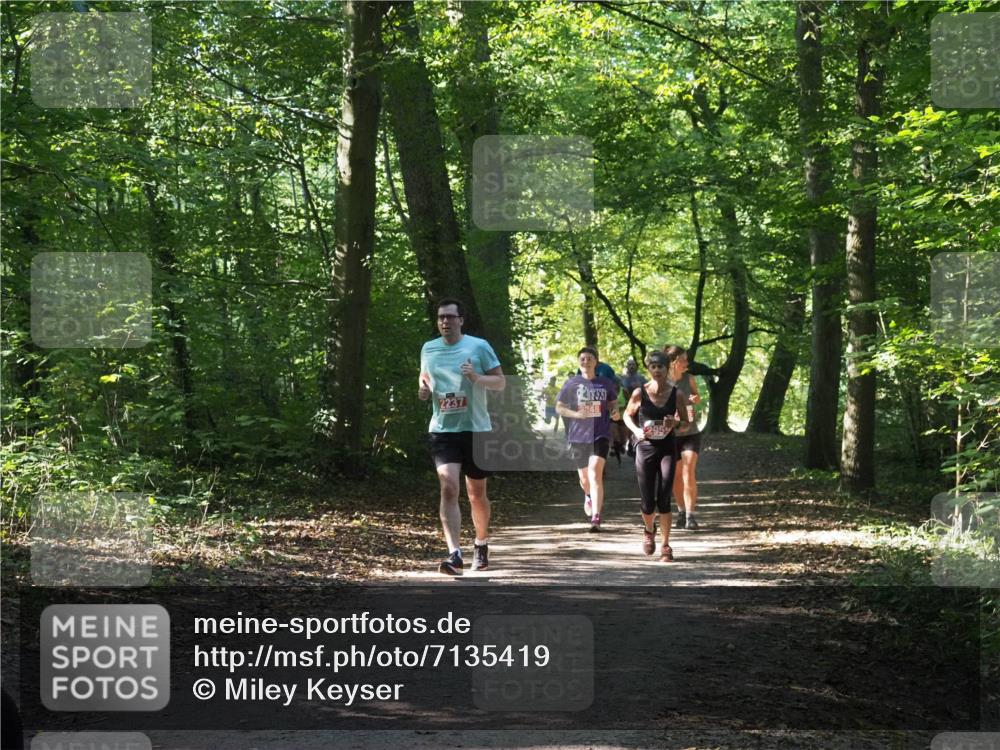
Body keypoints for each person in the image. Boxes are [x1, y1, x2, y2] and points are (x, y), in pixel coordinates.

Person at [419, 298, 506, 575]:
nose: (445, 322)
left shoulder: (478, 346)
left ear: (461, 320)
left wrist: (477, 378)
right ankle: (454, 554)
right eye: (441, 317)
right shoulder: (429, 348)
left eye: (450, 317)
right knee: (448, 487)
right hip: (443, 430)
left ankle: (481, 543)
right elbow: (424, 379)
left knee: (476, 494)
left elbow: (501, 382)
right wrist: (422, 390)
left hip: (476, 429)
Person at [623, 349, 680, 561]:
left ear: (667, 369)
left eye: (660, 367)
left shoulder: (676, 394)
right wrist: (636, 430)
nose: (656, 370)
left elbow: (686, 421)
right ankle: (649, 530)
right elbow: (627, 416)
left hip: (667, 448)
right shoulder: (640, 393)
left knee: (664, 498)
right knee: (647, 501)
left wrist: (675, 422)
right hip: (645, 447)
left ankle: (666, 545)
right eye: (653, 367)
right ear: (649, 369)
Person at [556, 347, 619, 532]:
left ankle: (596, 517)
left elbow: (613, 405)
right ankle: (588, 495)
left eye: (590, 359)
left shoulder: (605, 383)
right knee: (584, 478)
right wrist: (575, 414)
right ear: (578, 362)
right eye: (582, 359)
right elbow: (559, 407)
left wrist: (615, 412)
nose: (586, 362)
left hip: (600, 434)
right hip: (577, 435)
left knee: (594, 472)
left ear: (596, 362)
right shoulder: (571, 384)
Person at [665, 345, 703, 530]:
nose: (687, 363)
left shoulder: (690, 378)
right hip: (671, 435)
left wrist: (695, 399)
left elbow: (697, 397)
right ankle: (681, 511)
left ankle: (690, 515)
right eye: (683, 360)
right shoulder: (663, 382)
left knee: (689, 472)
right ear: (673, 363)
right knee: (676, 476)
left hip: (691, 432)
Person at [619, 356, 647, 457]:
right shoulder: (622, 378)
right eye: (629, 364)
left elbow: (648, 389)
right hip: (627, 405)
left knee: (639, 425)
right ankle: (630, 444)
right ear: (627, 366)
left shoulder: (641, 378)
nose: (631, 366)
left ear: (636, 366)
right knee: (629, 425)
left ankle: (637, 444)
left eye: (633, 364)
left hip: (640, 405)